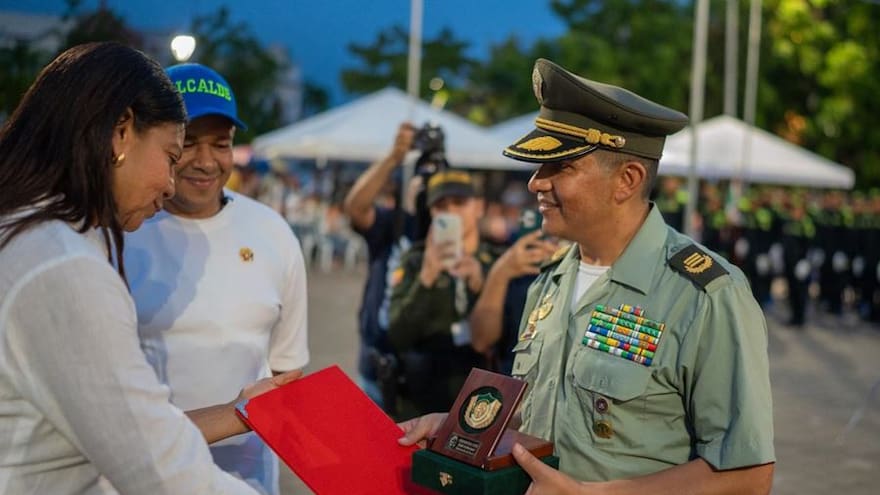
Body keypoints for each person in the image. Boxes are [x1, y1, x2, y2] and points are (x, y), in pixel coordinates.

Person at [400, 58, 775, 493]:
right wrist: (459, 428)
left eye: (560, 167)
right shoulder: (550, 280)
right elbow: (548, 410)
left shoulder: (705, 294)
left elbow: (747, 474)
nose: (535, 183)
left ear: (627, 180)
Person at [0, 42, 299, 494]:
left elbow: (120, 423)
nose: (171, 183)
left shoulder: (31, 235)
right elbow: (159, 469)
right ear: (121, 133)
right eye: (172, 156)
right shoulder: (61, 266)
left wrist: (240, 411)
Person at [123, 63, 309, 494]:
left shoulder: (273, 231)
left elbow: (288, 372)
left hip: (246, 480)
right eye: (188, 144)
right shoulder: (123, 230)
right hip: (144, 475)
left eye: (221, 144)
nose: (206, 161)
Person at [388, 169, 495, 419]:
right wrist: (426, 277)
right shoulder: (415, 261)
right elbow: (396, 336)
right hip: (419, 404)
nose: (451, 213)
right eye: (440, 206)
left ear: (479, 207)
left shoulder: (497, 263)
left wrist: (483, 285)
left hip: (480, 404)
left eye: (459, 203)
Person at [342, 122, 418, 411]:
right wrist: (394, 157)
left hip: (424, 379)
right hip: (377, 364)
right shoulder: (393, 223)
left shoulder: (450, 233)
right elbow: (356, 207)